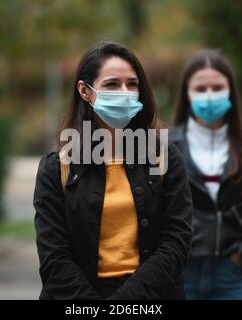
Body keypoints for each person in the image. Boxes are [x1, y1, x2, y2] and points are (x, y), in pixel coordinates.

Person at [33, 41, 192, 300]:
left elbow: (176, 243)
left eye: (132, 84)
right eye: (111, 84)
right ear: (85, 91)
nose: (125, 92)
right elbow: (54, 258)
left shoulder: (165, 158)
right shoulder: (57, 167)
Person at [170, 49, 242, 300]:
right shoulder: (164, 147)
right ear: (187, 95)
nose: (209, 96)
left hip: (229, 273)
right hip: (178, 272)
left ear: (230, 89)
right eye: (200, 89)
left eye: (217, 87)